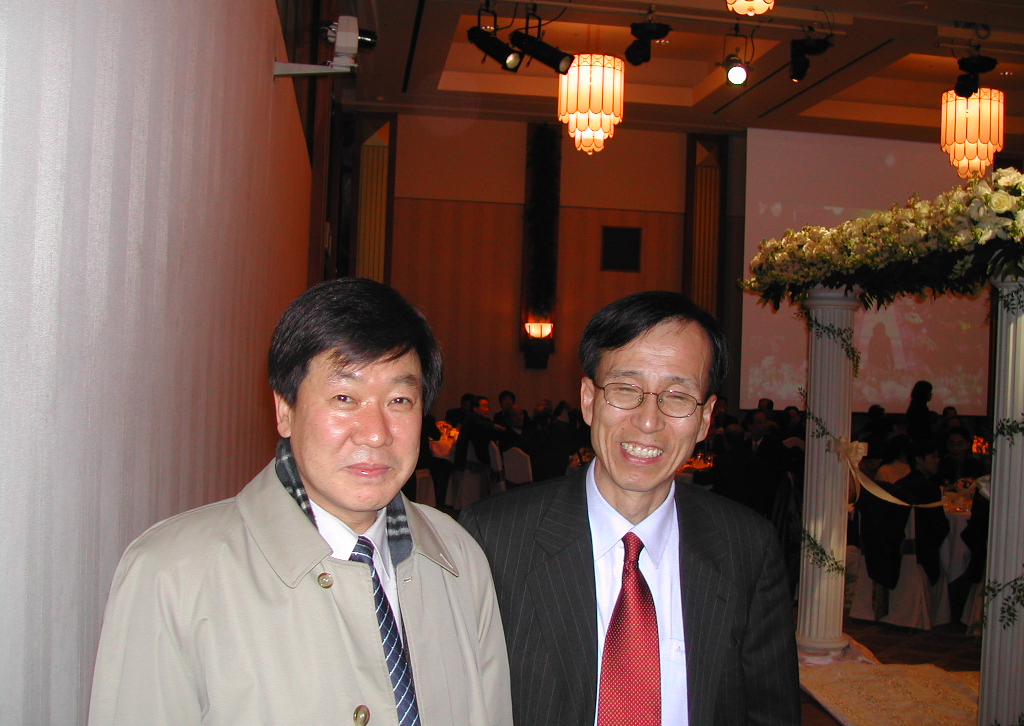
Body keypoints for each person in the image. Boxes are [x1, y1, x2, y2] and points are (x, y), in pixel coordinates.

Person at [88, 278, 513, 726]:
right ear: (285, 410)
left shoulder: (459, 559)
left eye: (399, 400)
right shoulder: (172, 575)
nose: (376, 433)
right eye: (345, 398)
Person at [460, 291, 800, 726]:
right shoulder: (493, 539)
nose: (648, 421)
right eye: (626, 389)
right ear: (589, 399)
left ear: (705, 418)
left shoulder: (748, 547)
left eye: (678, 396)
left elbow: (771, 712)